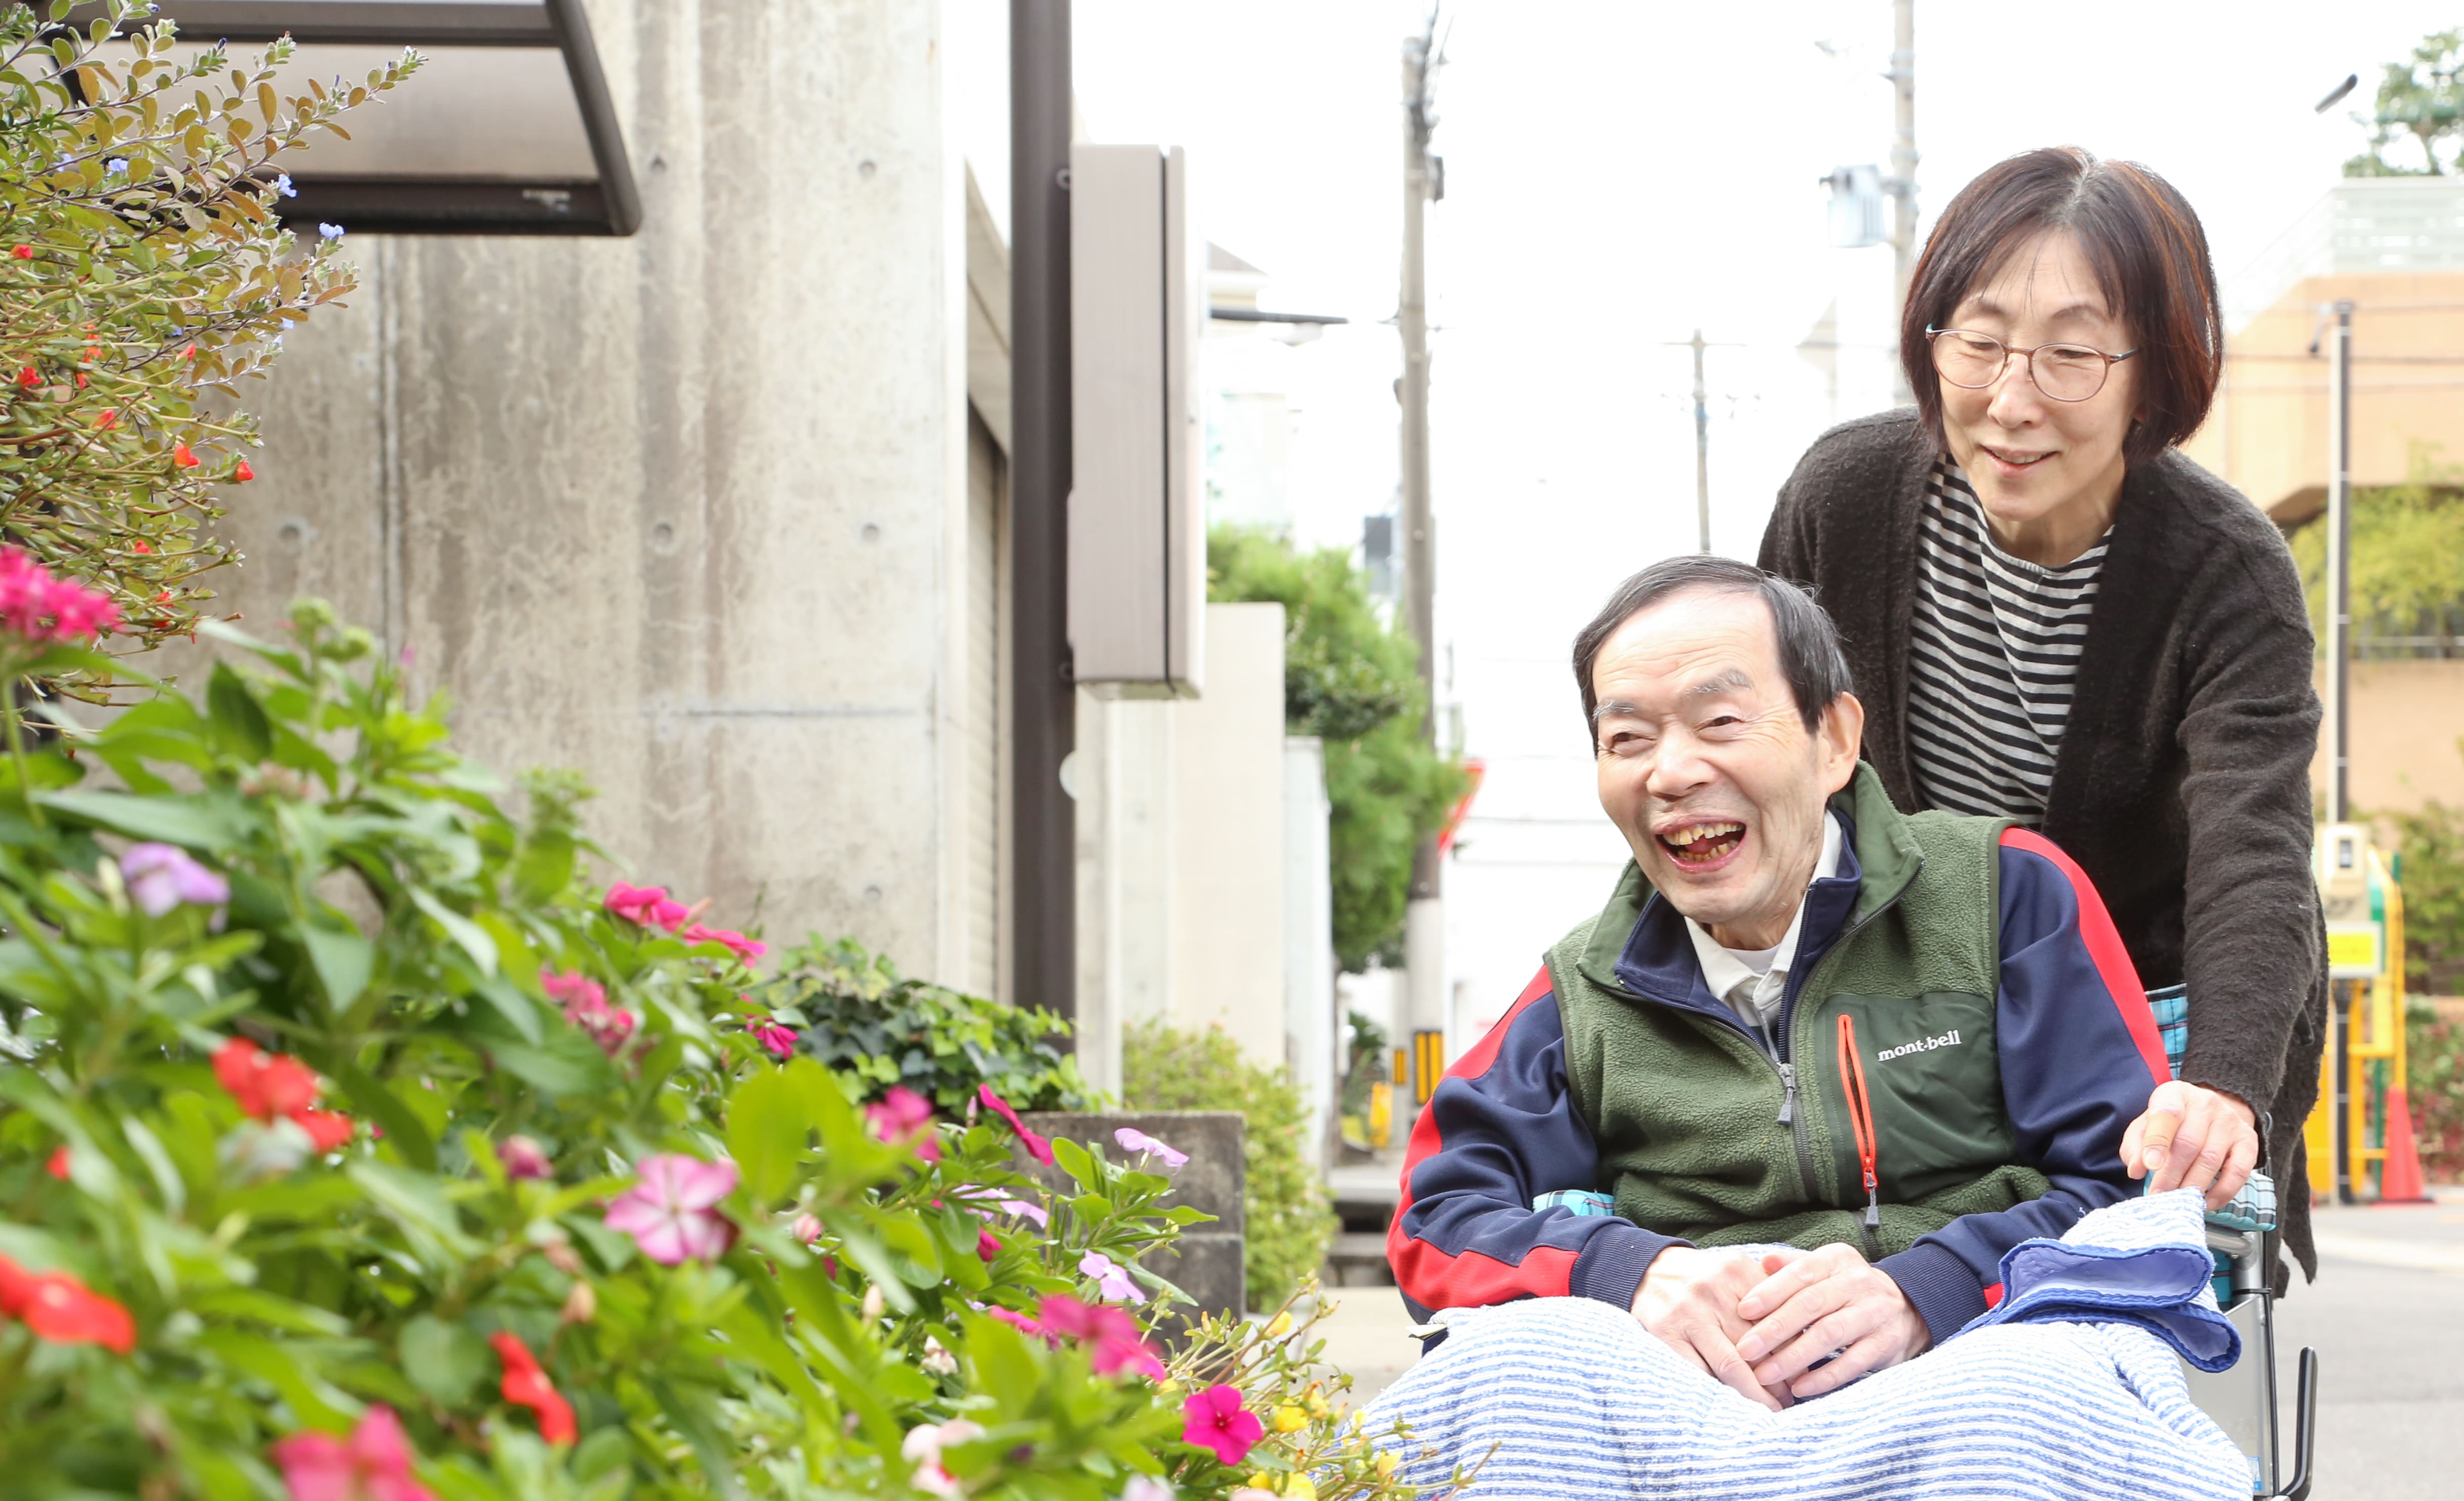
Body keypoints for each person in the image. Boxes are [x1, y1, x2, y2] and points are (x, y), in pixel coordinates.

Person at [1387, 556, 2170, 1409]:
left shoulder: (2008, 895)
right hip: (1697, 1402)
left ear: (1833, 740)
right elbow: (1435, 1218)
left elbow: (2132, 1195)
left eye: (1719, 720)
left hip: (1978, 1363)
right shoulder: (1583, 989)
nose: (1671, 773)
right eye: (1628, 739)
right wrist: (1630, 1271)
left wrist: (1928, 1291)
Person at [1757, 147, 2324, 1281]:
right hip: (1901, 999)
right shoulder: (1844, 495)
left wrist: (2219, 1083)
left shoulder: (2226, 569)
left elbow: (2249, 851)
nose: (2011, 401)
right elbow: (1763, 755)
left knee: (2105, 1305)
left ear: (2150, 378)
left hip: (2132, 1015)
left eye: (2070, 355)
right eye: (1977, 341)